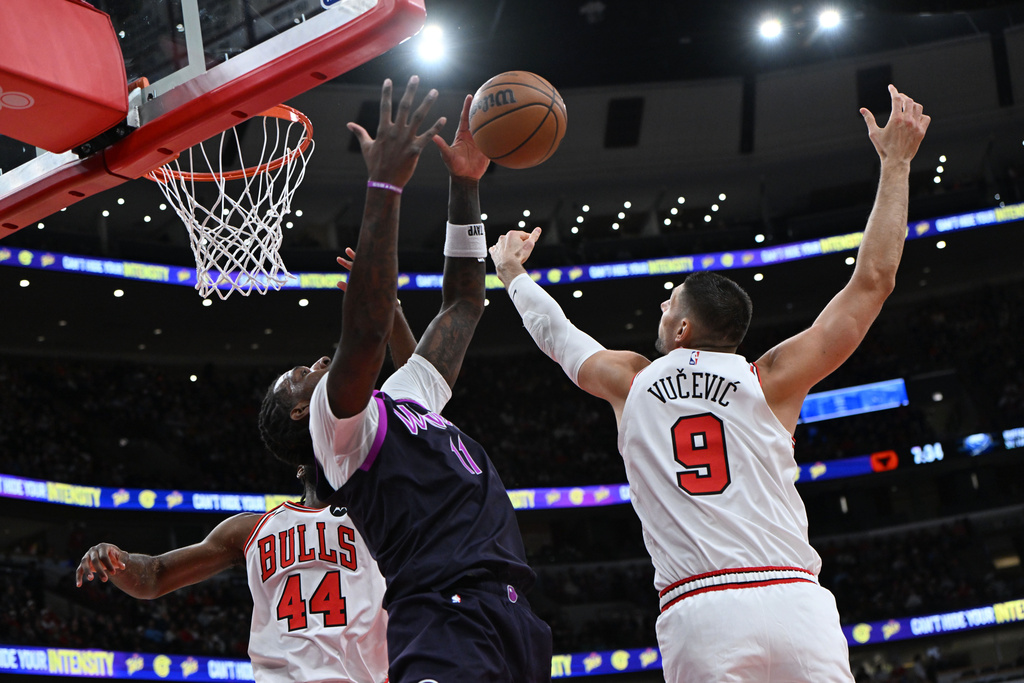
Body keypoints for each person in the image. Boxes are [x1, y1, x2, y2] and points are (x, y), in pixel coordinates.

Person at [489, 84, 930, 682]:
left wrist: (512, 272)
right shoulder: (771, 379)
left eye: (668, 304)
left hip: (701, 610)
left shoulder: (631, 380)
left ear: (685, 327)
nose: (661, 312)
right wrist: (897, 163)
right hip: (796, 601)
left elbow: (555, 333)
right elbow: (873, 279)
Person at [258, 76, 552, 683]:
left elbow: (465, 305)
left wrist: (465, 186)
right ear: (299, 413)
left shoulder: (402, 400)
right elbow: (363, 336)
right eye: (302, 375)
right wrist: (384, 184)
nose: (318, 364)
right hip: (444, 615)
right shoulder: (337, 432)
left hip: (512, 613)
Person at [75, 463, 389, 683]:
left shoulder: (384, 515)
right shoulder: (249, 529)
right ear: (299, 466)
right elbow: (155, 576)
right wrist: (121, 559)